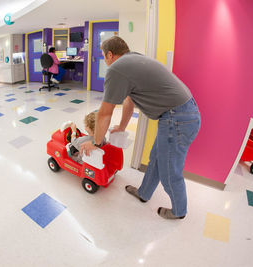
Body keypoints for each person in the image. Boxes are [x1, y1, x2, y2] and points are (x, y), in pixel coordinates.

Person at [80, 36, 201, 220]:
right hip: (181, 114)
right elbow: (129, 101)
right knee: (155, 160)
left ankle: (179, 211)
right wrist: (121, 126)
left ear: (110, 55)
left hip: (177, 118)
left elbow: (105, 113)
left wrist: (96, 144)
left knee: (170, 171)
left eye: (104, 57)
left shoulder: (117, 68)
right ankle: (144, 193)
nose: (105, 61)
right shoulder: (134, 59)